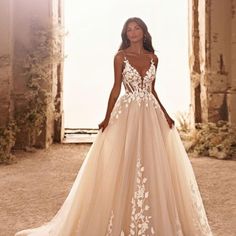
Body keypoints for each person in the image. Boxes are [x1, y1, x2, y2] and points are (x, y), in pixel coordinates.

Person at [15, 17, 213, 236]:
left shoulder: (154, 58)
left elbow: (152, 90)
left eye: (137, 28)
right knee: (123, 161)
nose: (133, 32)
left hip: (150, 112)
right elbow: (116, 89)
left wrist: (165, 114)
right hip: (127, 112)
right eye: (129, 30)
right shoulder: (120, 57)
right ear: (125, 34)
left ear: (144, 32)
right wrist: (107, 117)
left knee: (153, 162)